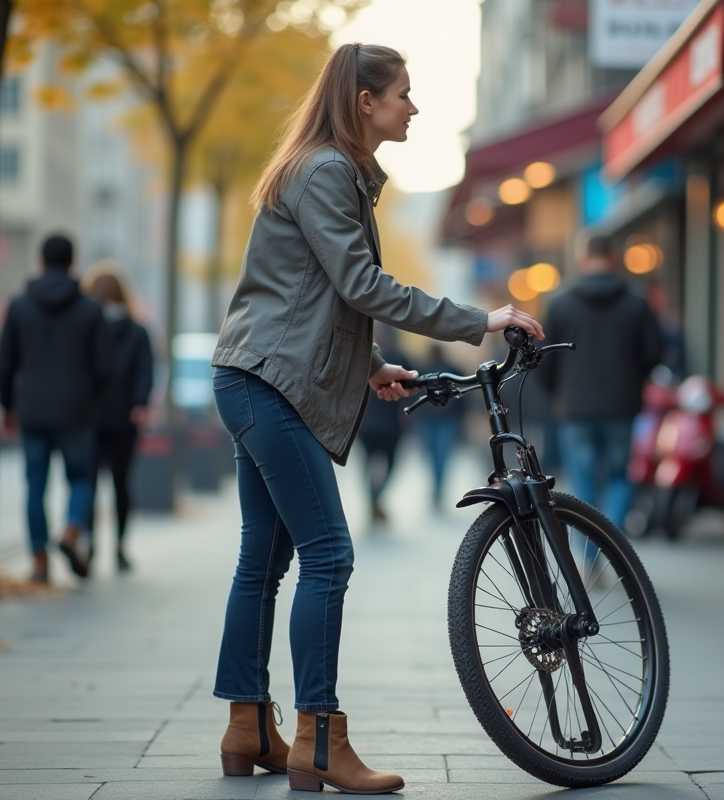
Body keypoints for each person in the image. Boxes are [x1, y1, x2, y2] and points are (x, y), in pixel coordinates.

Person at [208, 43, 542, 794]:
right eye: (403, 95)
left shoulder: (322, 170)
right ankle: (318, 741)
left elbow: (304, 293)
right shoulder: (328, 172)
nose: (414, 107)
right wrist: (478, 319)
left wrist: (367, 369)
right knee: (329, 555)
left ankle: (246, 726)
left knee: (261, 563)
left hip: (252, 376)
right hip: (272, 385)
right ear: (365, 101)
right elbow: (361, 284)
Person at [0, 234, 112, 583]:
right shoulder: (91, 310)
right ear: (73, 263)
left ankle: (39, 560)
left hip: (31, 409)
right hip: (77, 410)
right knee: (80, 478)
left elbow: (5, 362)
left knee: (35, 484)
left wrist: (6, 406)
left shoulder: (19, 306)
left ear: (41, 261)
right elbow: (106, 366)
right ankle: (72, 529)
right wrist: (93, 398)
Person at [537, 235, 663, 530]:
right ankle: (613, 554)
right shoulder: (636, 302)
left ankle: (590, 561)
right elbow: (654, 353)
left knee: (583, 487)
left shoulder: (560, 303)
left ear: (583, 259)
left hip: (575, 408)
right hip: (621, 406)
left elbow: (543, 360)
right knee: (619, 479)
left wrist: (560, 393)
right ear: (614, 258)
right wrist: (633, 380)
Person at [82, 262, 154, 572]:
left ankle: (89, 544)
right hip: (126, 417)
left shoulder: (86, 328)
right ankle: (121, 547)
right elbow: (145, 371)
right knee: (121, 484)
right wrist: (139, 403)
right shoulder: (138, 331)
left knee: (88, 484)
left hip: (90, 417)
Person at [356, 324, 408, 525]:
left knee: (371, 465)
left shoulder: (364, 357)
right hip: (387, 424)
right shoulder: (399, 358)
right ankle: (375, 500)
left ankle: (374, 500)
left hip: (369, 423)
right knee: (389, 463)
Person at [413, 343, 465, 510]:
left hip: (430, 420)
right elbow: (463, 393)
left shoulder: (423, 370)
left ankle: (437, 489)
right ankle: (438, 489)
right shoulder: (451, 369)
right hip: (445, 420)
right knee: (441, 456)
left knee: (433, 455)